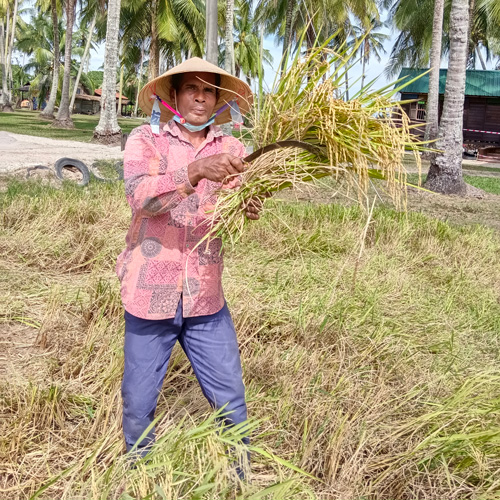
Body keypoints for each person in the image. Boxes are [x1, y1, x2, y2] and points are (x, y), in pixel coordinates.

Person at [116, 58, 259, 473]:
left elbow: (240, 200)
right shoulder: (146, 140)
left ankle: (240, 473)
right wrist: (194, 171)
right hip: (149, 294)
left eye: (209, 90)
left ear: (218, 100)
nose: (200, 96)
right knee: (139, 402)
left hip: (205, 296)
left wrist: (250, 202)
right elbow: (141, 198)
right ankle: (138, 474)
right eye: (191, 89)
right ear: (174, 96)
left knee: (230, 396)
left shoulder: (233, 149)